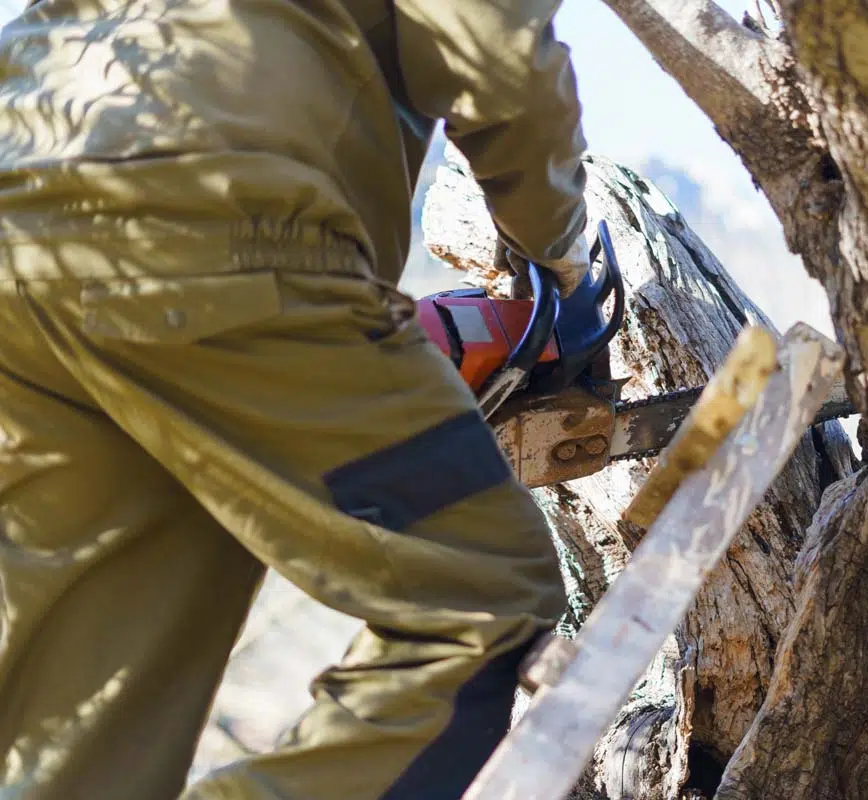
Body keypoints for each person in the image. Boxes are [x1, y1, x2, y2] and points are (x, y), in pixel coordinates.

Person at [0, 0, 589, 796]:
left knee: (81, 693)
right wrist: (555, 255)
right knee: (482, 596)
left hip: (24, 181)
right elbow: (493, 44)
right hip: (212, 204)